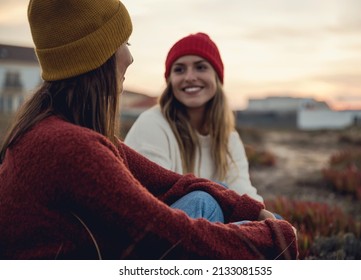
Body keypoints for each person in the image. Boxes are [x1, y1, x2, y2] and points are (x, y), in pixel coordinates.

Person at [0, 0, 298, 260]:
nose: (130, 57)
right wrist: (276, 237)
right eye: (124, 44)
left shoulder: (63, 132)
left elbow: (172, 183)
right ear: (98, 56)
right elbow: (169, 232)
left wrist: (251, 212)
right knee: (213, 220)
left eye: (201, 67)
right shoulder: (67, 145)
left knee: (205, 201)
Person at [125, 32, 264, 202]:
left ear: (217, 77)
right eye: (179, 69)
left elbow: (244, 192)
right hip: (158, 221)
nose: (190, 77)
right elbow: (154, 199)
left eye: (200, 67)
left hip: (205, 224)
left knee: (275, 221)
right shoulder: (152, 124)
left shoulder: (229, 139)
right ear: (170, 81)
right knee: (204, 199)